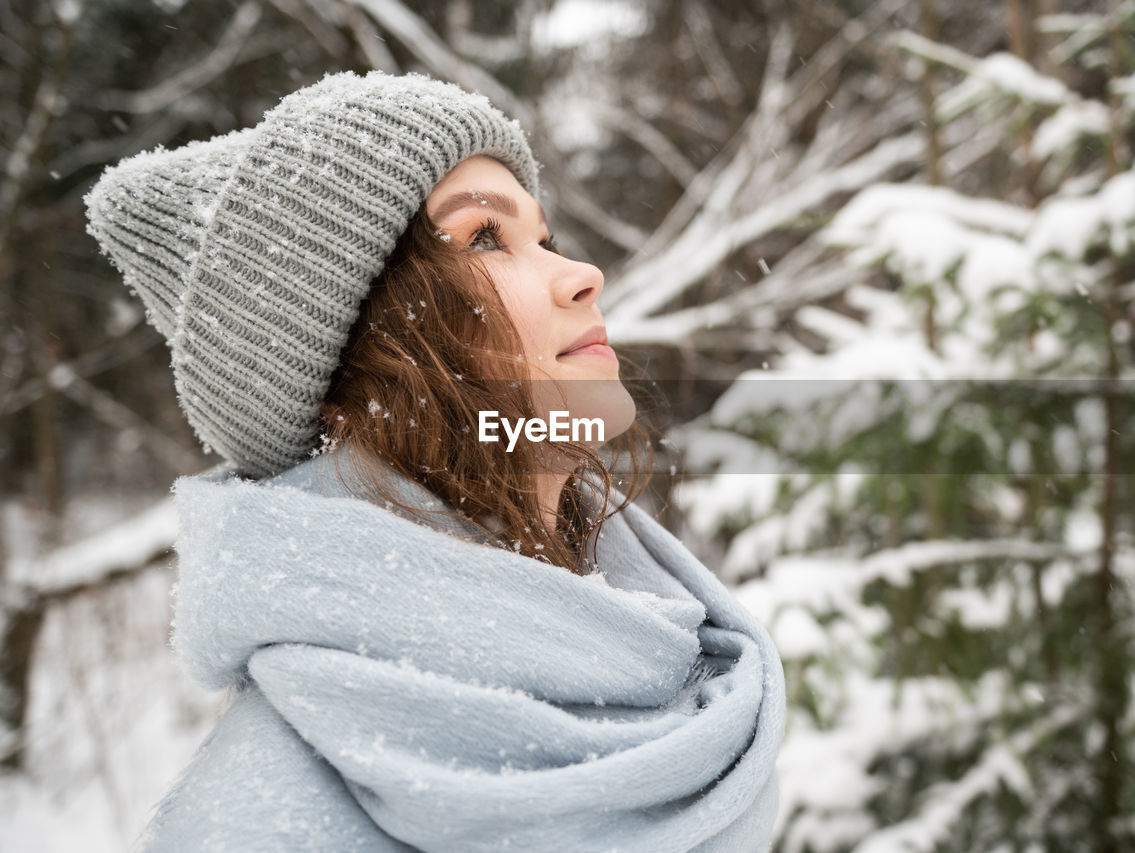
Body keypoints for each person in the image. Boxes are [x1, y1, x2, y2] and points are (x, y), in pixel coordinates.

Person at [84, 70, 785, 853]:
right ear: (347, 375)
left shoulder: (685, 676)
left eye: (543, 239)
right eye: (485, 237)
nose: (582, 273)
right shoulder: (265, 819)